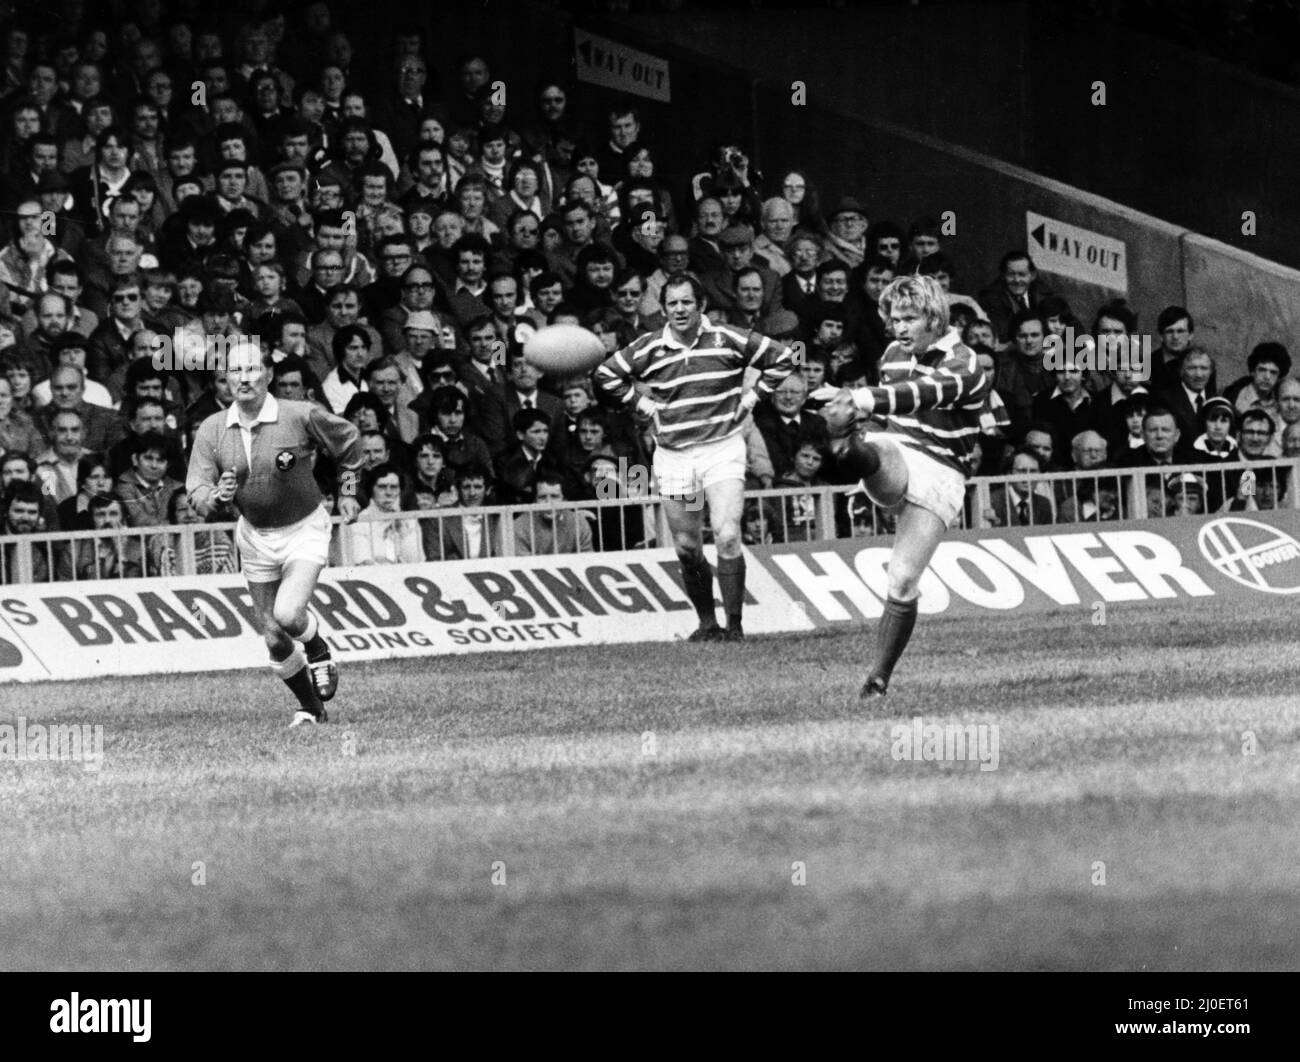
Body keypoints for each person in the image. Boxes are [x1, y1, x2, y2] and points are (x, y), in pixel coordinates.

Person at [594, 272, 798, 641]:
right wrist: (641, 404)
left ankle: (734, 627)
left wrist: (751, 398)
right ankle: (707, 624)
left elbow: (783, 358)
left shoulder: (728, 336)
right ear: (664, 308)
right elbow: (607, 374)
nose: (679, 309)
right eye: (672, 303)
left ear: (701, 305)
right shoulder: (648, 346)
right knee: (688, 547)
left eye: (687, 302)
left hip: (721, 450)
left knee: (727, 534)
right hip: (674, 455)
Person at [814, 274, 990, 698]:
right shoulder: (893, 353)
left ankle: (877, 679)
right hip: (897, 450)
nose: (901, 328)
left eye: (910, 318)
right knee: (880, 444)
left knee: (903, 582)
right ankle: (848, 448)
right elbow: (888, 412)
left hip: (944, 470)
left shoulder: (966, 363)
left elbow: (922, 394)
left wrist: (860, 399)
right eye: (895, 319)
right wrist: (861, 415)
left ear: (934, 317)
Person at [186, 339, 363, 727]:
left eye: (252, 370)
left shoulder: (299, 414)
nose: (244, 378)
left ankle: (317, 650)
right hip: (254, 536)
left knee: (287, 613)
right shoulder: (213, 429)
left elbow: (349, 443)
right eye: (236, 371)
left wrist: (348, 493)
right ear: (225, 380)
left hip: (304, 528)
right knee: (273, 636)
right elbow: (196, 489)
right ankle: (312, 709)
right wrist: (215, 498)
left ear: (268, 375)